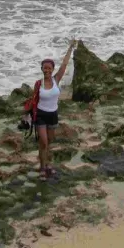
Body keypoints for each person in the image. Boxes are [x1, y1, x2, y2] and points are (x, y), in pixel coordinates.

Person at [34, 39, 76, 180]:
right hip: (40, 115)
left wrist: (70, 48)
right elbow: (33, 101)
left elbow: (64, 64)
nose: (47, 70)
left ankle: (47, 164)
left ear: (52, 69)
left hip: (53, 115)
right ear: (42, 69)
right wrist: (28, 116)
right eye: (44, 68)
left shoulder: (56, 80)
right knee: (44, 141)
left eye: (49, 68)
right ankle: (42, 168)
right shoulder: (38, 84)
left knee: (50, 142)